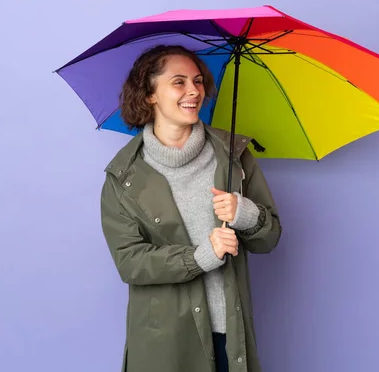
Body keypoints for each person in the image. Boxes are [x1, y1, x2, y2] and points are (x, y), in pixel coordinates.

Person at [100, 44, 282, 372]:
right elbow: (131, 263)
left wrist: (245, 213)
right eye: (179, 82)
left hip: (230, 334)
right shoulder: (123, 176)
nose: (194, 91)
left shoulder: (234, 156)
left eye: (198, 82)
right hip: (166, 343)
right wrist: (201, 256)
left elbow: (269, 240)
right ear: (149, 95)